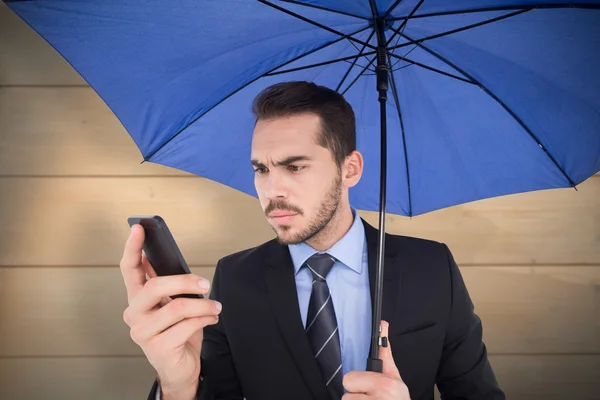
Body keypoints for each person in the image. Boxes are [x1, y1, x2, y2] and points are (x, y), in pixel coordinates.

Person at [119, 81, 505, 400]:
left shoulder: (432, 268)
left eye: (295, 166)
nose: (273, 189)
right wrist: (177, 386)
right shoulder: (236, 278)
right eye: (261, 169)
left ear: (350, 169)